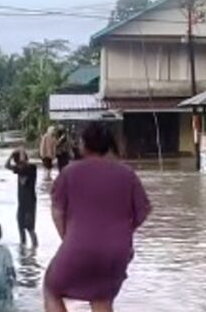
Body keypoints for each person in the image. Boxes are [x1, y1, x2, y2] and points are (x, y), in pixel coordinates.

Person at [44, 122, 152, 312]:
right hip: (117, 251)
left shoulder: (69, 172)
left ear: (84, 144)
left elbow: (57, 212)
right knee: (101, 298)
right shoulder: (127, 173)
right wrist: (122, 233)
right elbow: (143, 211)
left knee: (51, 289)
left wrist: (68, 239)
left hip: (78, 245)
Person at [5, 148, 39, 247]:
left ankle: (34, 249)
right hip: (21, 204)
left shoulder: (32, 168)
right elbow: (6, 166)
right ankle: (23, 246)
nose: (19, 165)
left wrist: (21, 152)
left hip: (30, 203)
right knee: (20, 226)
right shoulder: (19, 170)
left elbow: (24, 163)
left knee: (30, 228)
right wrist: (11, 155)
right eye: (18, 163)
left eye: (20, 163)